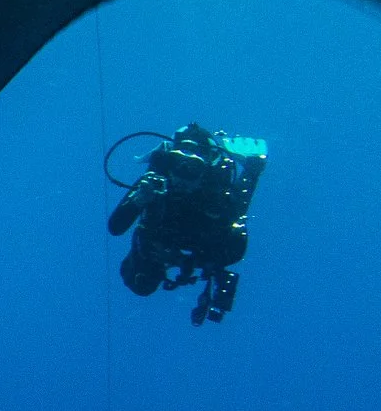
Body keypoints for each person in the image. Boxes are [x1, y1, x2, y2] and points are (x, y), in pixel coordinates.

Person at [108, 124, 265, 325]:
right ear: (168, 162)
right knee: (141, 283)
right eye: (177, 164)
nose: (182, 176)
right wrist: (138, 200)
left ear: (205, 170)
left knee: (234, 234)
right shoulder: (154, 183)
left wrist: (251, 173)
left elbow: (236, 238)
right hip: (159, 237)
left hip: (200, 239)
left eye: (192, 169)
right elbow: (115, 227)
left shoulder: (214, 192)